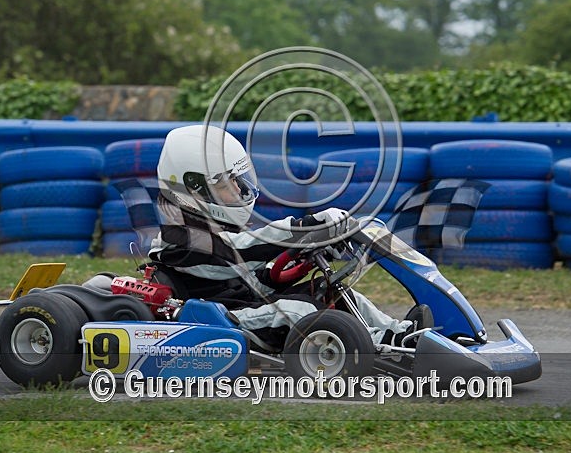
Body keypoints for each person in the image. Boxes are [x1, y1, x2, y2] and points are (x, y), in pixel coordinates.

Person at [147, 124, 431, 348]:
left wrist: (293, 265)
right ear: (194, 188)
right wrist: (302, 229)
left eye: (237, 180)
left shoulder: (210, 227)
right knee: (298, 310)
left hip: (246, 305)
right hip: (223, 321)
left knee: (335, 293)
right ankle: (381, 345)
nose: (237, 190)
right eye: (225, 182)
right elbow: (238, 251)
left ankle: (404, 333)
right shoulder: (178, 240)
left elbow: (247, 278)